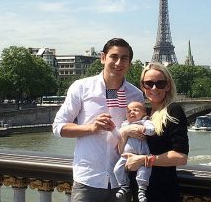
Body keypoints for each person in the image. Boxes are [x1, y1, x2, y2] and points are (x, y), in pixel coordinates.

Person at [52, 38, 144, 202]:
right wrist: (91, 128)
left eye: (124, 58)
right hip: (88, 179)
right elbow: (58, 127)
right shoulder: (81, 87)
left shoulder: (135, 95)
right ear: (103, 58)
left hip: (122, 180)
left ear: (129, 63)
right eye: (114, 56)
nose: (118, 62)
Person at [122, 62, 189, 202]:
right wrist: (124, 133)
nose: (154, 88)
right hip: (138, 191)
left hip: (162, 192)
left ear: (168, 86)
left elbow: (181, 157)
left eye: (160, 83)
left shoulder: (173, 110)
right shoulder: (144, 114)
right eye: (149, 83)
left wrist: (144, 159)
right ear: (142, 86)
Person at [113, 101, 155, 202]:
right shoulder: (125, 124)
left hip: (142, 155)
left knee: (144, 172)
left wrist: (144, 129)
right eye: (128, 111)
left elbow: (152, 130)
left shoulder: (144, 122)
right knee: (117, 169)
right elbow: (119, 135)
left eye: (135, 110)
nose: (131, 112)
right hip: (126, 156)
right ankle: (124, 185)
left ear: (144, 114)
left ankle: (142, 190)